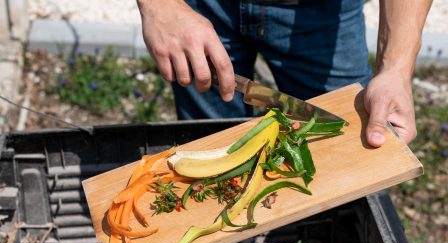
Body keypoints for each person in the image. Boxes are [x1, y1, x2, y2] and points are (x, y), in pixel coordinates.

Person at [136, 0, 431, 147]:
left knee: (353, 145)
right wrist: (160, 5)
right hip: (197, 10)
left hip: (323, 13)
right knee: (210, 145)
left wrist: (395, 68)